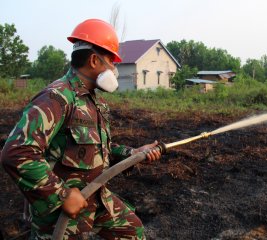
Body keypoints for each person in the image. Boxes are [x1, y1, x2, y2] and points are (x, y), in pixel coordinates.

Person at [0, 19, 161, 239]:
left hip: (95, 197)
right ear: (95, 60)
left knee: (132, 230)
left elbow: (96, 147)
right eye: (112, 62)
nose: (114, 69)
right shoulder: (57, 98)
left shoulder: (94, 101)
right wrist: (61, 195)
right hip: (62, 212)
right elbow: (17, 152)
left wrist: (132, 153)